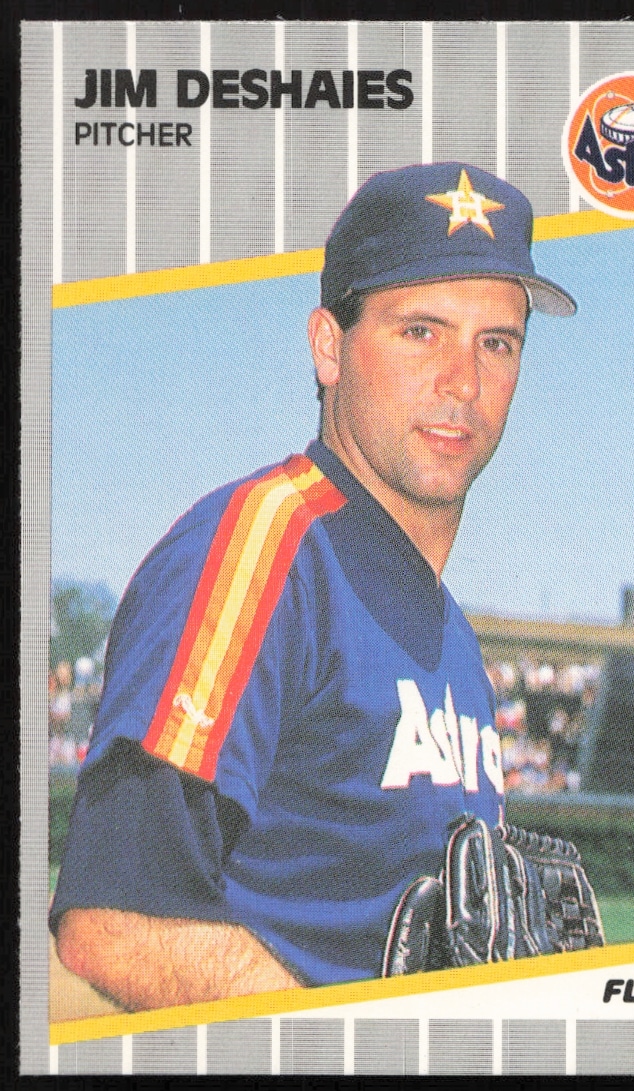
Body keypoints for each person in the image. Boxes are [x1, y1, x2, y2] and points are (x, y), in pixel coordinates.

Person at [50, 162, 576, 1011]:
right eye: (420, 331)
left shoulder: (456, 639)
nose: (463, 381)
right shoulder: (261, 548)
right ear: (329, 346)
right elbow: (117, 920)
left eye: (497, 342)